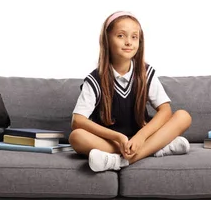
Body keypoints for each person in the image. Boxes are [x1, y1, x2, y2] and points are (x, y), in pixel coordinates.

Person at [69, 10, 192, 172]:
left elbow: (165, 110)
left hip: (143, 138)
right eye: (121, 36)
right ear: (107, 40)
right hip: (111, 142)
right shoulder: (95, 80)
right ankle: (157, 149)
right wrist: (118, 137)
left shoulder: (146, 73)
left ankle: (120, 161)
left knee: (183, 116)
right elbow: (77, 121)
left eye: (134, 37)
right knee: (76, 137)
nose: (128, 42)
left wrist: (141, 137)